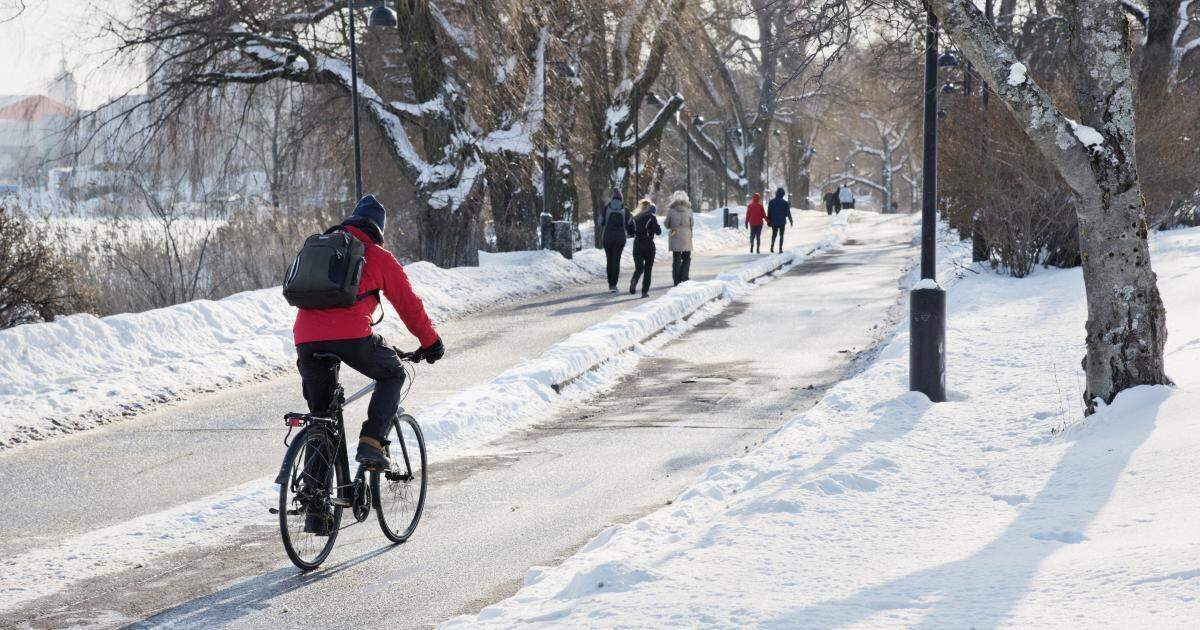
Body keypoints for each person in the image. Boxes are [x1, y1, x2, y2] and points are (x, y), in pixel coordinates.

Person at [293, 195, 444, 533]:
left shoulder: (323, 248)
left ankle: (317, 508)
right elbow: (408, 305)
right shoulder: (378, 257)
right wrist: (430, 343)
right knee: (393, 373)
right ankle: (372, 442)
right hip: (351, 337)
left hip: (305, 339)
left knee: (322, 417)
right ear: (379, 231)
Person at [627, 199, 662, 297]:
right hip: (648, 246)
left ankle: (634, 279)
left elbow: (630, 232)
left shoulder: (635, 218)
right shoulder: (651, 217)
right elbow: (658, 231)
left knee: (639, 268)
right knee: (648, 269)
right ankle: (644, 291)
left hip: (637, 245)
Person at [599, 188, 629, 293]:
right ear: (621, 198)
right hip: (620, 239)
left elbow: (600, 222)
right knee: (616, 260)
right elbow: (629, 224)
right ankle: (614, 285)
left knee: (609, 260)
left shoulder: (606, 208)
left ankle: (610, 283)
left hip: (607, 238)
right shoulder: (625, 209)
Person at [663, 190, 694, 286]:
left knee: (676, 258)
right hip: (686, 237)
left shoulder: (671, 211)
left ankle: (676, 280)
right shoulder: (689, 211)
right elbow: (692, 223)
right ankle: (684, 278)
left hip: (674, 236)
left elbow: (666, 224)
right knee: (686, 258)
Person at [767, 187, 793, 252]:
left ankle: (772, 247)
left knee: (774, 234)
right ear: (782, 194)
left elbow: (769, 212)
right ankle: (780, 248)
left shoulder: (771, 202)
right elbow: (788, 213)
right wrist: (791, 220)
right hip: (782, 222)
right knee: (781, 235)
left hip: (774, 221)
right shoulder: (785, 203)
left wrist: (769, 221)